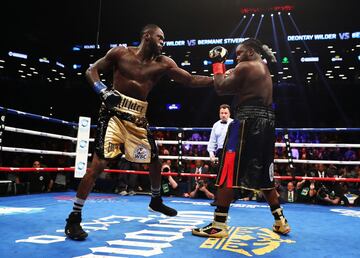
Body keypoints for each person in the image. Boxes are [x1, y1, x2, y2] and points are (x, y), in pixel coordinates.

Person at [64, 24, 213, 240]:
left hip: (138, 118)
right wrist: (102, 91)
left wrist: (217, 79)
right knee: (98, 166)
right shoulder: (120, 53)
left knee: (154, 161)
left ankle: (155, 200)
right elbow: (91, 70)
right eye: (160, 38)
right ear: (147, 36)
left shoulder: (164, 63)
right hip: (113, 114)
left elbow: (189, 79)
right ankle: (74, 217)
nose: (163, 42)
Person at [192, 38, 291, 238]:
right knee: (266, 175)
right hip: (267, 122)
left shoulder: (246, 66)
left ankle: (218, 225)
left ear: (251, 52)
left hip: (246, 121)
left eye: (240, 53)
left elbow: (220, 87)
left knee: (227, 170)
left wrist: (218, 63)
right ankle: (280, 221)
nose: (237, 57)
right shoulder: (261, 68)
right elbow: (238, 86)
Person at [207, 104, 233, 205]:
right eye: (222, 113)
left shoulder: (234, 124)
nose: (223, 115)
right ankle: (218, 199)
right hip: (220, 152)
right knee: (219, 176)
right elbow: (212, 141)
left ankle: (230, 198)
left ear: (229, 113)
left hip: (231, 151)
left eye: (225, 113)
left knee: (229, 176)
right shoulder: (216, 125)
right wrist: (211, 155)